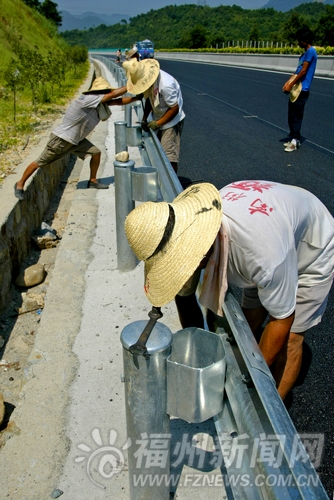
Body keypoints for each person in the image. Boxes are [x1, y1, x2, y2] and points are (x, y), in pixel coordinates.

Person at [124, 181, 334, 401]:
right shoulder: (194, 219)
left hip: (312, 246)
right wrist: (201, 355)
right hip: (273, 226)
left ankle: (273, 414)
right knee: (249, 321)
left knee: (291, 337)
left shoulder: (263, 258)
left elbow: (282, 320)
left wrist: (249, 383)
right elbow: (184, 295)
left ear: (201, 249)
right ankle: (243, 369)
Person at [14, 77, 138, 200]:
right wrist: (134, 84)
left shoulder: (98, 103)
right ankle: (20, 184)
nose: (107, 93)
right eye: (105, 91)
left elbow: (117, 101)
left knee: (96, 153)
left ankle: (93, 181)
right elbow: (114, 94)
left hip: (77, 140)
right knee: (39, 163)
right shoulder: (88, 100)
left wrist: (136, 98)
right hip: (61, 140)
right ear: (97, 92)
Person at [122, 58, 185, 173]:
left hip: (171, 121)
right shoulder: (150, 83)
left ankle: (172, 187)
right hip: (160, 114)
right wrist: (145, 118)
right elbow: (149, 100)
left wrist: (158, 123)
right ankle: (162, 179)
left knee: (168, 154)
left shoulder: (166, 85)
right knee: (160, 150)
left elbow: (174, 108)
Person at [282, 29, 317, 153]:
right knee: (291, 114)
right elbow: (297, 70)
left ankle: (295, 141)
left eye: (300, 40)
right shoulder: (303, 54)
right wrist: (288, 82)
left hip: (303, 88)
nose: (298, 43)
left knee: (297, 115)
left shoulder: (311, 52)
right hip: (296, 87)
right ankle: (293, 136)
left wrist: (291, 83)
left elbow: (303, 71)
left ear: (306, 40)